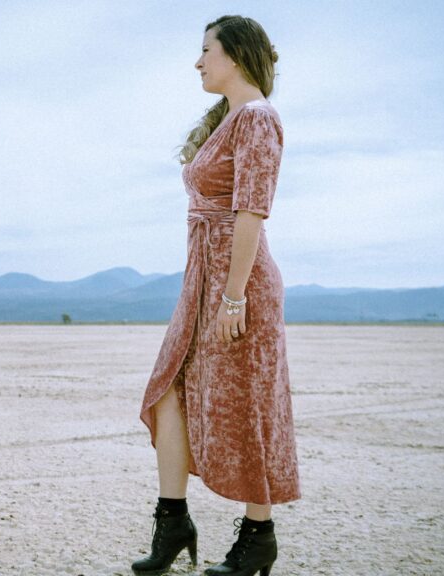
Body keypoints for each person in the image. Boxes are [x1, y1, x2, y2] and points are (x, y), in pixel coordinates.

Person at [132, 15, 301, 576]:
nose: (198, 61)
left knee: (248, 402)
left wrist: (234, 298)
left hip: (239, 280)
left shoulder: (258, 120)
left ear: (237, 55)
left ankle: (259, 536)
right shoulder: (228, 120)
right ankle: (173, 521)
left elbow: (251, 208)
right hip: (203, 276)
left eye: (206, 50)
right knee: (167, 390)